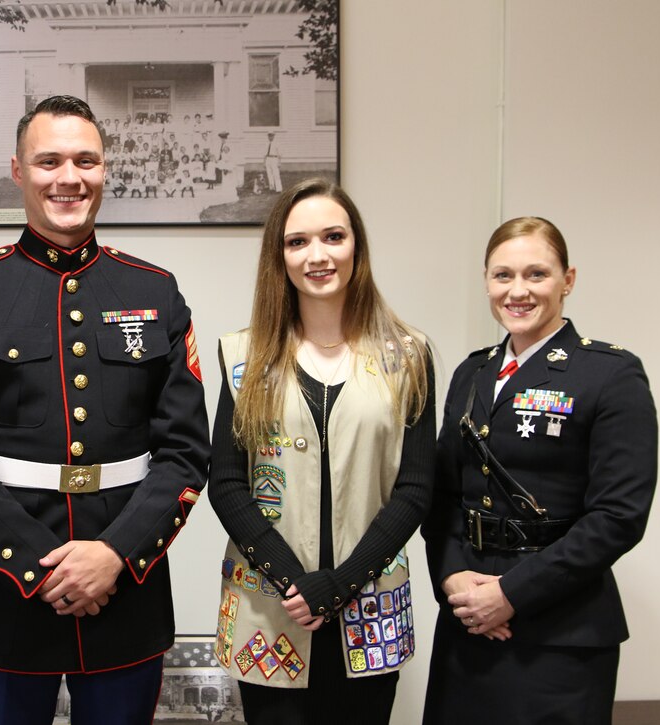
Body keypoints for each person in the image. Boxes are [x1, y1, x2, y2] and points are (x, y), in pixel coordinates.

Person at [0, 95, 210, 725]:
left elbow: (185, 453)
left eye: (85, 161)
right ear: (18, 172)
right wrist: (38, 568)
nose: (68, 178)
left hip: (125, 589)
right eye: (48, 161)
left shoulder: (153, 290)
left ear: (105, 170)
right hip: (1, 594)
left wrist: (115, 555)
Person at [209, 179, 434, 723]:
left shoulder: (408, 355)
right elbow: (227, 482)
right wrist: (294, 579)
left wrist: (339, 584)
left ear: (356, 246)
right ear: (279, 256)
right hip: (273, 608)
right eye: (297, 242)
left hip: (370, 604)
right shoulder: (244, 357)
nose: (318, 255)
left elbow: (415, 487)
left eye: (333, 236)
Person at [421, 216, 657, 724]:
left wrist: (512, 594)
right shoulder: (472, 371)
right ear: (486, 281)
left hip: (559, 631)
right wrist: (452, 576)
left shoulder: (610, 374)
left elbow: (619, 515)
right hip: (468, 622)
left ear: (567, 280)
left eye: (537, 274)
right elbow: (441, 493)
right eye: (503, 275)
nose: (518, 291)